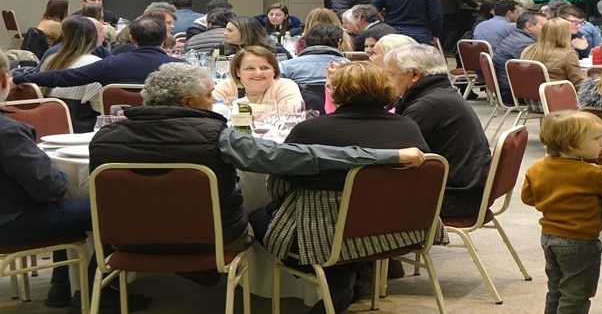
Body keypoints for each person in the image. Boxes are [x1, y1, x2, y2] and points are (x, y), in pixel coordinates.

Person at [91, 62, 424, 307]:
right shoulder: (217, 138)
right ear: (188, 103)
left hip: (126, 241)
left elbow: (93, 193)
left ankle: (90, 289)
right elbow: (304, 158)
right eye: (209, 96)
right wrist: (387, 155)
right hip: (212, 239)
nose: (213, 102)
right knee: (259, 213)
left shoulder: (103, 138)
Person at [257, 61, 430, 314]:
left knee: (258, 219)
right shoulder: (408, 126)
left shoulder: (312, 129)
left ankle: (339, 279)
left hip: (328, 235)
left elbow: (280, 183)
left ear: (336, 91)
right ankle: (353, 273)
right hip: (400, 229)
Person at [0, 51, 153, 313]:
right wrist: (60, 177)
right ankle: (99, 292)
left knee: (65, 207)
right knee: (115, 208)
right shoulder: (8, 132)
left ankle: (61, 285)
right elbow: (49, 186)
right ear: (5, 81)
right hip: (12, 221)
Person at [520, 110, 602, 314]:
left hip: (549, 238)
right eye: (597, 138)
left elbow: (528, 198)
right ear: (572, 145)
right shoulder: (589, 172)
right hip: (580, 242)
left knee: (556, 289)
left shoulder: (536, 167)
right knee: (577, 295)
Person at [384, 44, 492, 218]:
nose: (387, 81)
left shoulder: (428, 105)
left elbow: (393, 150)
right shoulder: (438, 93)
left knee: (364, 191)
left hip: (456, 197)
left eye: (391, 75)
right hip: (467, 188)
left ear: (415, 74)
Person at [16, 16, 184, 88]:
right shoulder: (182, 68)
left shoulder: (112, 64)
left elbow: (64, 77)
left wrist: (19, 78)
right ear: (164, 39)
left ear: (132, 39)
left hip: (122, 129)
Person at [37, 16, 104, 132]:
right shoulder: (95, 65)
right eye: (101, 30)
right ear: (92, 36)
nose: (104, 34)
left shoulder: (50, 59)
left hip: (48, 128)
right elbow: (102, 109)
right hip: (81, 130)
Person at [211, 46, 303, 119]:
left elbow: (292, 112)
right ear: (238, 72)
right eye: (250, 68)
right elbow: (209, 111)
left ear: (274, 71)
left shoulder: (285, 85)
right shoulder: (227, 86)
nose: (258, 73)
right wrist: (271, 112)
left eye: (264, 68)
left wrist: (237, 111)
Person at [280, 24, 346, 109]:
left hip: (300, 116)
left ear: (306, 42)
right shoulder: (351, 67)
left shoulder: (285, 67)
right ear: (339, 42)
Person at [521, 18, 585, 94]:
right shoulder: (568, 55)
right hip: (556, 100)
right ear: (565, 35)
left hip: (530, 99)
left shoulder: (528, 50)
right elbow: (580, 85)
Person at [493, 12, 547, 101]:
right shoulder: (525, 44)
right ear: (529, 26)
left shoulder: (517, 36)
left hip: (509, 88)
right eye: (544, 25)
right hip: (514, 93)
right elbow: (541, 68)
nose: (548, 29)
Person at [224, 16, 289, 58]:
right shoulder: (225, 49)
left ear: (246, 32)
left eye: (230, 31)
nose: (225, 33)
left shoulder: (273, 48)